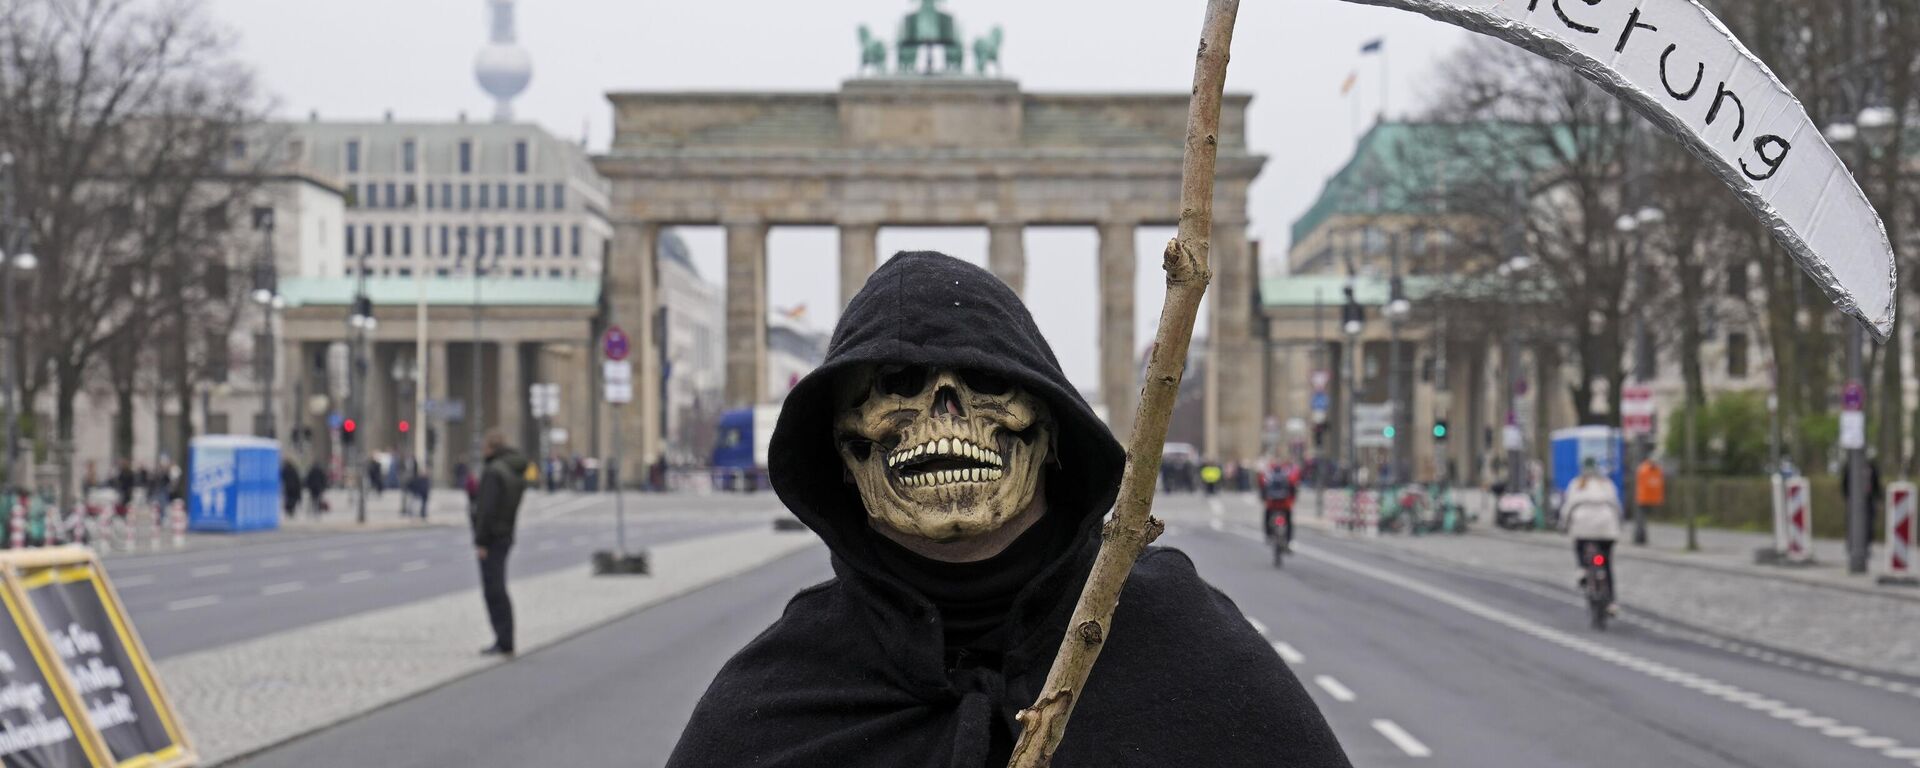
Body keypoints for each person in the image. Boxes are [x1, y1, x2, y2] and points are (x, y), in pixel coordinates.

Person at [667, 252, 1347, 767]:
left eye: (988, 386)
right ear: (842, 452)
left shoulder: (1193, 654)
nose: (945, 413)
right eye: (896, 388)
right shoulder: (767, 709)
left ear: (1053, 431)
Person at [471, 430, 528, 657]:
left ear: (490, 448)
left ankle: (503, 640)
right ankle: (506, 638)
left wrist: (481, 541)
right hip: (505, 534)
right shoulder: (513, 470)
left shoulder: (494, 472)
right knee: (499, 587)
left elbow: (487, 509)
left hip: (493, 538)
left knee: (494, 590)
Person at [1560, 459, 1623, 608]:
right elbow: (1617, 506)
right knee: (1607, 564)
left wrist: (1563, 525)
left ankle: (1582, 569)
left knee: (1579, 545)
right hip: (1606, 528)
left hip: (1583, 527)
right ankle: (1611, 602)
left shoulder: (1576, 484)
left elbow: (1568, 508)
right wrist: (1620, 524)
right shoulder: (1606, 484)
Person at [1634, 456, 1666, 524]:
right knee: (1642, 515)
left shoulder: (1645, 469)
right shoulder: (1646, 470)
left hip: (1646, 497)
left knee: (1642, 515)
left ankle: (1641, 530)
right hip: (1644, 497)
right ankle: (1640, 531)